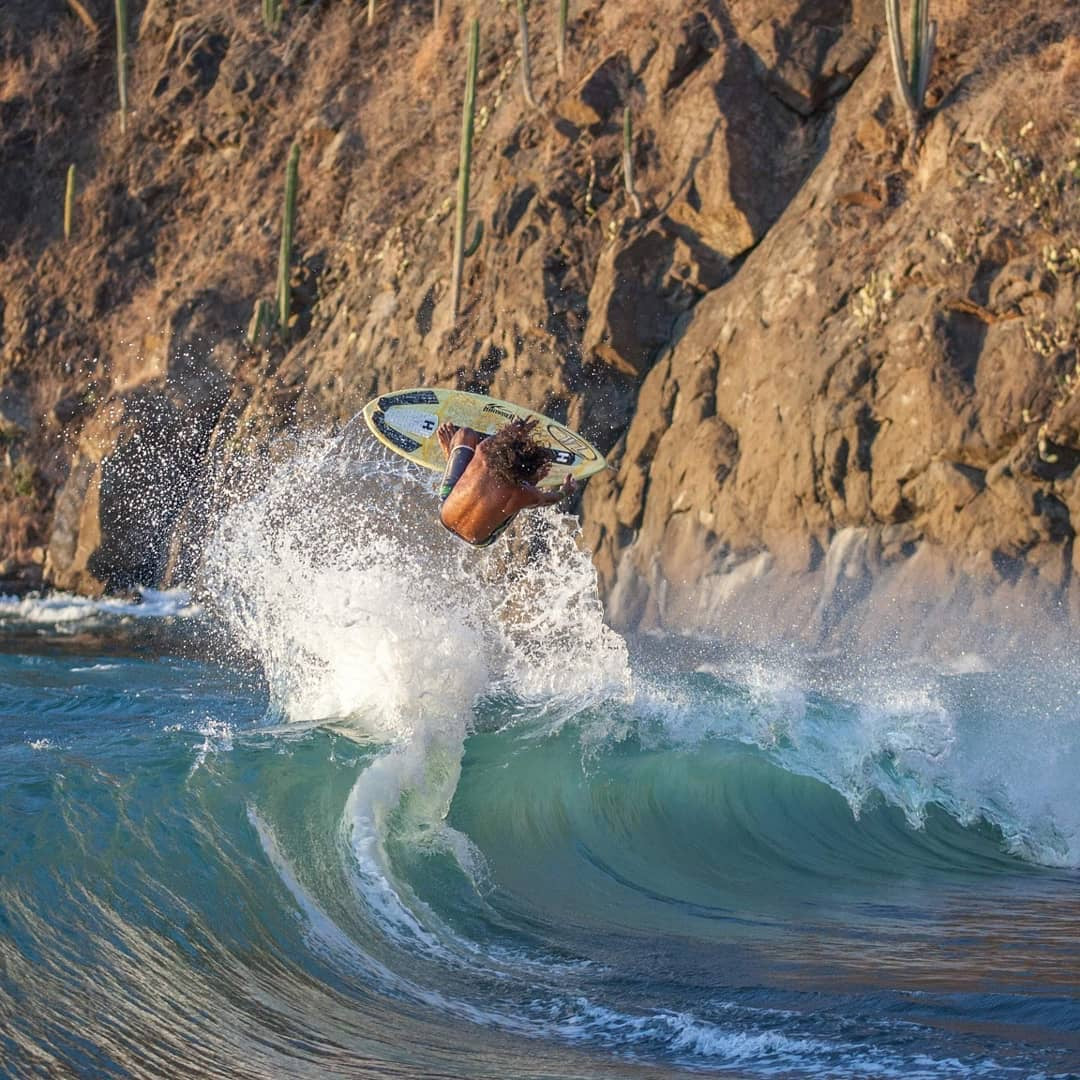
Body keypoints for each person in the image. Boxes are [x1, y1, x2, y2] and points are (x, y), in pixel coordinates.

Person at [437, 416, 577, 547]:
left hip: (446, 511)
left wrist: (518, 428)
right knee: (526, 494)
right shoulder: (521, 493)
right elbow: (548, 499)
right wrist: (565, 491)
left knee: (465, 434)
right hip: (478, 539)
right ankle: (532, 480)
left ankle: (451, 456)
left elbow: (503, 436)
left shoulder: (483, 451)